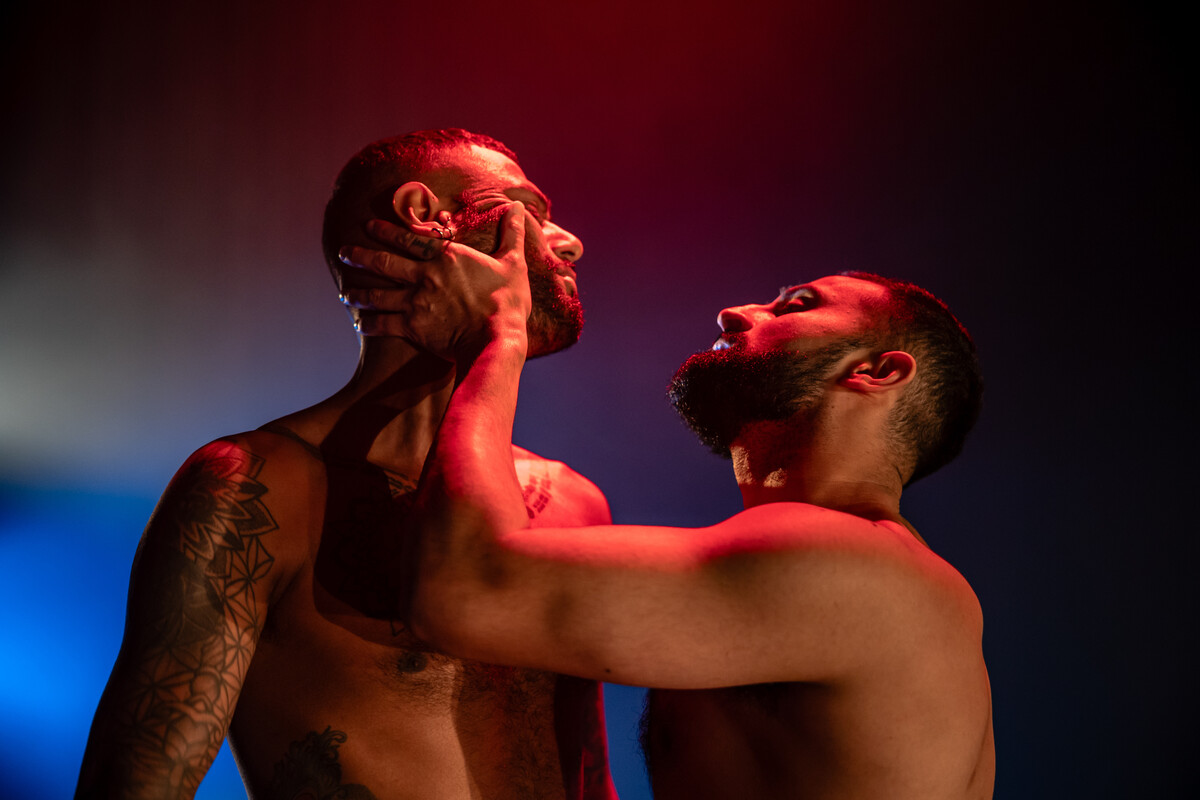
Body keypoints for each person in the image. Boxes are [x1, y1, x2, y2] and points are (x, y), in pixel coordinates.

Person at [339, 209, 995, 799]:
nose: (737, 313)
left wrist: (494, 337)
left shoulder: (856, 564)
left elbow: (466, 590)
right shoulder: (859, 570)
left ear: (877, 372)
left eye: (796, 304)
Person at [75, 130, 618, 800]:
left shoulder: (571, 502)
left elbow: (588, 779)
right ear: (426, 215)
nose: (567, 241)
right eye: (527, 210)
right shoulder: (254, 487)